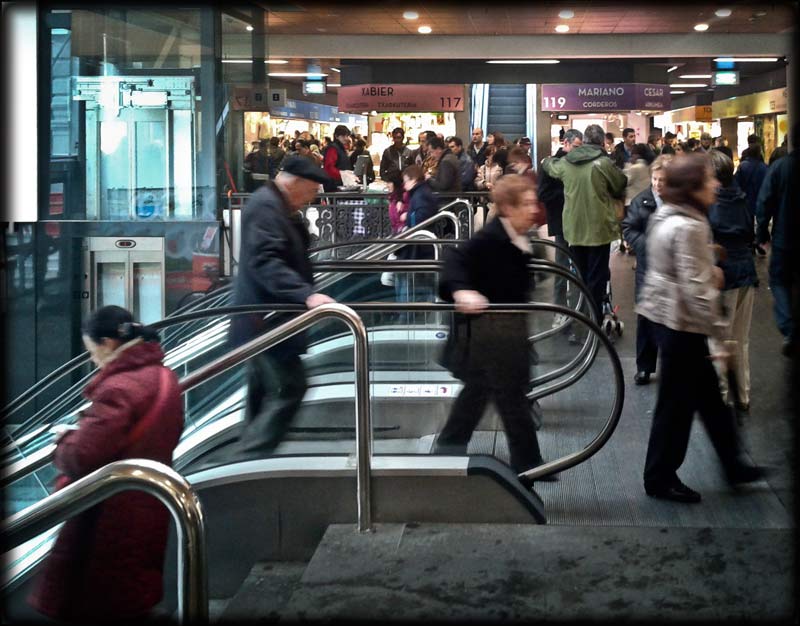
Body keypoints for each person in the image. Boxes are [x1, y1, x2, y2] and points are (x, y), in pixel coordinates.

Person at [28, 306, 184, 622]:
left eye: (93, 351)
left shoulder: (119, 388)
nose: (93, 360)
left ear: (109, 343)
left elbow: (82, 456)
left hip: (109, 515)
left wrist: (63, 442)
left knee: (100, 599)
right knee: (130, 594)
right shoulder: (164, 376)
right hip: (147, 503)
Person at [637, 153, 764, 503]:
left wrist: (708, 260)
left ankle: (732, 463)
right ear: (694, 187)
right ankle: (660, 477)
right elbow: (696, 289)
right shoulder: (691, 225)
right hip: (682, 322)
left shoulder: (668, 215)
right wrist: (718, 333)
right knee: (676, 407)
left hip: (666, 315)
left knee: (707, 399)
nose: (715, 185)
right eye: (708, 180)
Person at [433, 174, 551, 487]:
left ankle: (449, 447)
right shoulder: (490, 238)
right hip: (492, 334)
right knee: (511, 398)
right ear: (508, 208)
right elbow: (454, 262)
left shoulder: (519, 235)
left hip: (503, 331)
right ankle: (528, 465)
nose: (533, 209)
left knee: (480, 392)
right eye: (526, 204)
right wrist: (461, 291)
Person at [229, 156, 336, 456]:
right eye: (312, 190)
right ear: (294, 183)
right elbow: (266, 261)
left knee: (262, 389)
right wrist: (306, 294)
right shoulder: (266, 207)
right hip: (266, 319)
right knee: (290, 387)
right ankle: (250, 457)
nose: (314, 197)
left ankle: (246, 458)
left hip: (267, 318)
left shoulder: (278, 206)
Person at [541, 123, 628, 322]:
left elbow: (550, 167)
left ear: (586, 141)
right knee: (597, 277)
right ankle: (594, 318)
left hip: (573, 229)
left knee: (579, 274)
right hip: (599, 229)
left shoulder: (566, 163)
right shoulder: (603, 163)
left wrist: (546, 160)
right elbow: (619, 183)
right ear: (601, 142)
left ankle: (580, 318)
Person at [707, 150, 758, 411]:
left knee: (719, 340)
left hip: (723, 275)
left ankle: (722, 398)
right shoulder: (741, 199)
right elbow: (750, 232)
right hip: (747, 272)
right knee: (741, 339)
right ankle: (744, 395)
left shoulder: (711, 204)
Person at [622, 154, 672, 385]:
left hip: (672, 271)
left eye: (662, 180)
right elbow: (629, 228)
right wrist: (647, 246)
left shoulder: (679, 201)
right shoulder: (641, 201)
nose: (657, 184)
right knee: (646, 318)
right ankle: (644, 366)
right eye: (655, 179)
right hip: (648, 268)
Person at [756, 126, 797, 357]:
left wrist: (762, 233)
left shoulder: (781, 167)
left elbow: (765, 203)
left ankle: (789, 328)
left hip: (785, 237)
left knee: (780, 281)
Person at [538, 128, 583, 327]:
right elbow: (543, 194)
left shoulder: (580, 163)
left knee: (578, 267)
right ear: (565, 143)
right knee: (562, 266)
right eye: (575, 146)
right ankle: (561, 309)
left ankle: (579, 309)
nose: (577, 151)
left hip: (579, 222)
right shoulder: (551, 166)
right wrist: (567, 193)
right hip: (563, 221)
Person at [394, 164, 438, 321]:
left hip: (418, 247)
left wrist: (408, 218)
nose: (404, 186)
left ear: (413, 180)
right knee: (421, 282)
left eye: (405, 181)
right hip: (421, 246)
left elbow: (421, 219)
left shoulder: (421, 195)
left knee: (409, 279)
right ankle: (413, 315)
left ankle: (405, 317)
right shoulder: (421, 192)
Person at [322, 124, 353, 191]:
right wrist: (343, 174)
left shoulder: (340, 148)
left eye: (347, 136)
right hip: (334, 186)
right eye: (343, 136)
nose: (346, 138)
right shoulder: (333, 148)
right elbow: (329, 168)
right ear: (336, 136)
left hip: (339, 184)